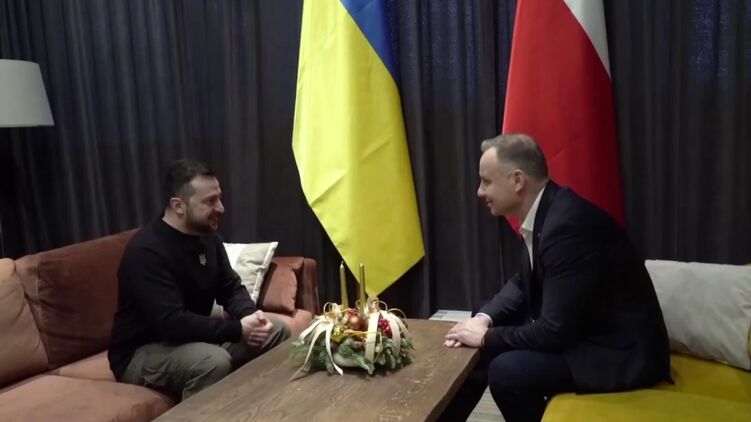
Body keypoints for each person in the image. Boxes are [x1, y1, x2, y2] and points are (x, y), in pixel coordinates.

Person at [444, 133, 671, 422]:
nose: (479, 191)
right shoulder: (548, 210)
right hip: (585, 330)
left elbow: (554, 331)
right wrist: (484, 320)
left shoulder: (567, 226)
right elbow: (522, 282)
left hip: (617, 351)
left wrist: (487, 338)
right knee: (483, 318)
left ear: (517, 180)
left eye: (486, 181)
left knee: (506, 372)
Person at [108, 159, 290, 400]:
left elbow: (230, 287)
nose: (221, 208)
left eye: (219, 198)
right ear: (178, 205)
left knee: (276, 330)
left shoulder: (207, 238)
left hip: (192, 338)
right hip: (144, 350)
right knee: (212, 362)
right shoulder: (146, 252)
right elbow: (171, 323)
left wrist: (251, 316)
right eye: (210, 202)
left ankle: (261, 406)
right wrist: (237, 329)